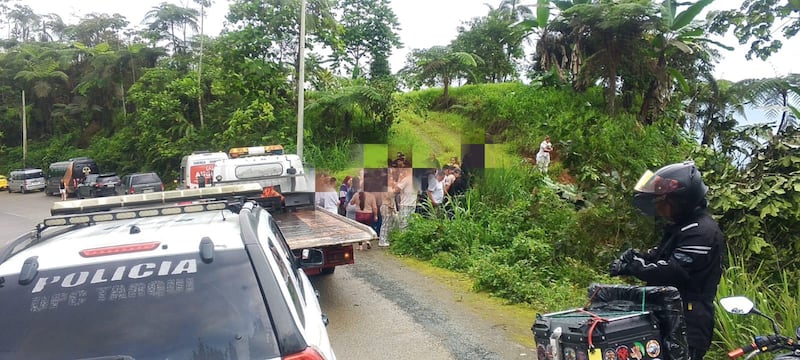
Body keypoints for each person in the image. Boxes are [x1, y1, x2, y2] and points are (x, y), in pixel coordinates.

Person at [609, 161, 724, 360]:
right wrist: (632, 260)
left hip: (688, 320)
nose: (659, 207)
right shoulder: (682, 227)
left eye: (663, 201)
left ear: (682, 201)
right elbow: (658, 256)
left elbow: (673, 270)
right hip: (666, 313)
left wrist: (636, 266)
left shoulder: (702, 231)